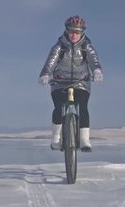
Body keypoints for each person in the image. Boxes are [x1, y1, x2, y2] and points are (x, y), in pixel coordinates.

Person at [38, 15, 103, 152]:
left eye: (77, 32)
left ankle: (84, 140)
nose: (74, 34)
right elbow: (51, 61)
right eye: (72, 31)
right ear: (67, 31)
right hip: (59, 82)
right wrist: (45, 74)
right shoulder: (59, 47)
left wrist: (97, 70)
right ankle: (56, 138)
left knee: (83, 107)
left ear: (82, 32)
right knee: (58, 107)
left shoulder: (86, 47)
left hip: (81, 82)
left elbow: (93, 59)